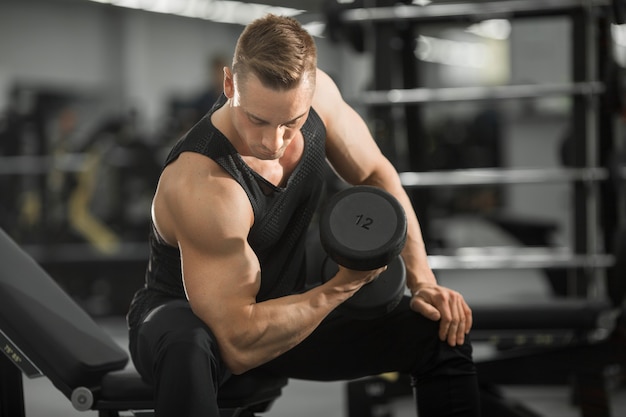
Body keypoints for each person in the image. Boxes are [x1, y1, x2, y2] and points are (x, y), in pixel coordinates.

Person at [127, 14, 480, 417]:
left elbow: (374, 173)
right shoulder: (204, 183)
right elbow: (239, 344)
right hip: (192, 320)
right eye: (256, 119)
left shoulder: (320, 98)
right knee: (187, 346)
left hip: (282, 305)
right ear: (229, 85)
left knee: (439, 332)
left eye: (290, 124)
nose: (272, 142)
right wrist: (340, 287)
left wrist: (424, 284)